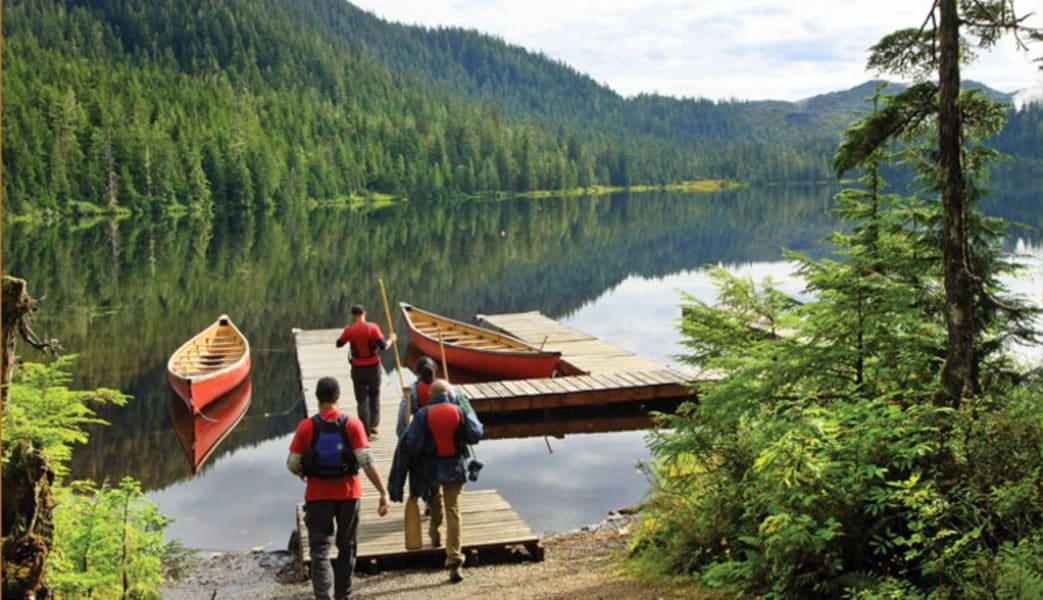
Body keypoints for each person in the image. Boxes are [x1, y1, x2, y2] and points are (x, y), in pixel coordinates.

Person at [288, 376, 390, 600]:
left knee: (319, 550)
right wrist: (382, 492)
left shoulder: (306, 427)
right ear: (338, 397)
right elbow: (366, 461)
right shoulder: (352, 425)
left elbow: (292, 464)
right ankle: (343, 596)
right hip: (348, 494)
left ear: (317, 398)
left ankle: (323, 596)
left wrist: (303, 474)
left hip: (317, 495)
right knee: (347, 546)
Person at [401, 379, 483, 583]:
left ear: (431, 394)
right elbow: (476, 433)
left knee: (434, 500)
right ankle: (454, 559)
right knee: (453, 510)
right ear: (449, 394)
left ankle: (435, 535)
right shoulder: (459, 411)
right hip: (454, 467)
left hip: (430, 468)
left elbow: (411, 443)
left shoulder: (422, 414)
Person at [335, 304, 396, 438]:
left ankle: (365, 431)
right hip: (373, 367)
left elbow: (339, 343)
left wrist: (346, 335)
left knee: (361, 399)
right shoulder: (373, 328)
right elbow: (383, 346)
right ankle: (374, 424)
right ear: (364, 313)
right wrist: (392, 339)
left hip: (357, 369)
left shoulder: (349, 330)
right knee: (374, 394)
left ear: (353, 316)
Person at [395, 355, 439, 438]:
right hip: (441, 430)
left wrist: (402, 436)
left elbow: (402, 418)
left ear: (417, 373)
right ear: (435, 370)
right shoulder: (446, 389)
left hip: (421, 430)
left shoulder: (411, 390)